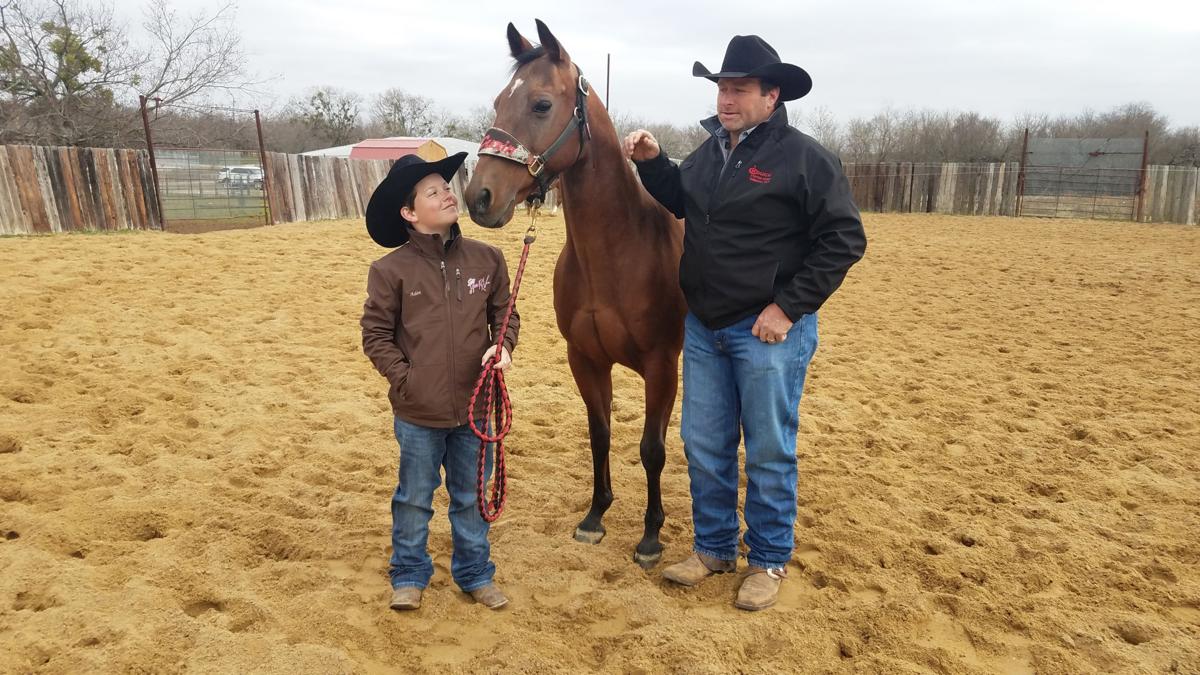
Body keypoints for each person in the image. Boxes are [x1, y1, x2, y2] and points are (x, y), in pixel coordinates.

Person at [623, 35, 866, 611]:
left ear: (771, 95)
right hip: (705, 327)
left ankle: (769, 558)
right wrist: (655, 164)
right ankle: (712, 548)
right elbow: (684, 201)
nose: (726, 99)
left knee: (768, 449)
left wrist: (788, 307)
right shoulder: (711, 153)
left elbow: (844, 238)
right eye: (721, 88)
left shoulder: (805, 158)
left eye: (739, 89)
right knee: (703, 443)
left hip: (768, 331)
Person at [360, 152, 519, 611]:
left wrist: (503, 345)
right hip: (417, 411)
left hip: (476, 406)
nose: (448, 194)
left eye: (446, 187)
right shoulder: (390, 271)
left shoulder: (488, 258)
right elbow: (375, 334)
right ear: (410, 213)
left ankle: (475, 573)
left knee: (470, 497)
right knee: (414, 497)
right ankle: (409, 573)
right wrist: (404, 379)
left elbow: (505, 315)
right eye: (433, 191)